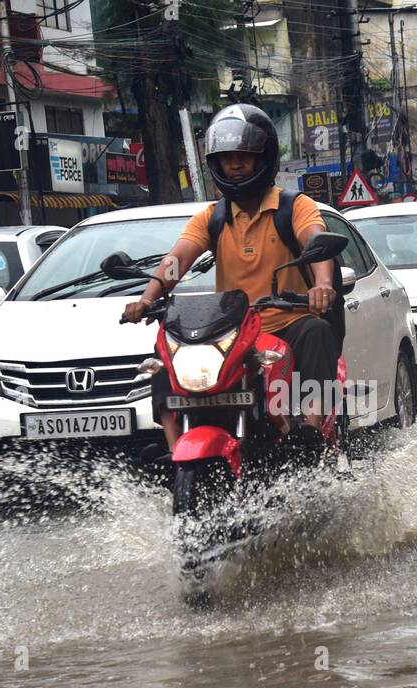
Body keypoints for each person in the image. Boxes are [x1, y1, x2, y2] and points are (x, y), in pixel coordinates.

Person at [123, 103, 338, 454]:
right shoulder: (212, 217)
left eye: (244, 156)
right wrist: (148, 298)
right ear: (216, 163)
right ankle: (175, 447)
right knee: (165, 356)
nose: (235, 164)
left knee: (317, 331)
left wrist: (322, 285)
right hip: (233, 333)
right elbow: (177, 261)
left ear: (263, 157)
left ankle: (310, 431)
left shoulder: (294, 206)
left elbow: (315, 241)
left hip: (288, 323)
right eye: (226, 157)